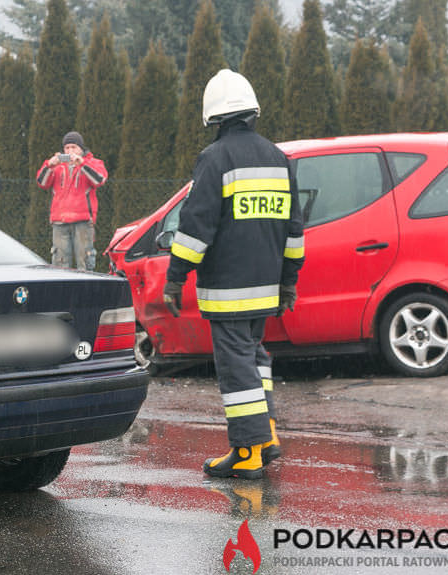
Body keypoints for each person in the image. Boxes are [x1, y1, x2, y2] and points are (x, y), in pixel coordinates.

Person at [163, 69, 305, 480]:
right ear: (252, 112)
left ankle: (247, 451)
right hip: (267, 288)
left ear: (214, 118)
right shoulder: (279, 159)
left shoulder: (215, 159)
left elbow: (196, 225)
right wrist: (289, 280)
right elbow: (294, 228)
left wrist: (176, 275)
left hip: (228, 289)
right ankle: (267, 435)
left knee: (236, 366)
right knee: (255, 358)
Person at [36, 131, 108, 271]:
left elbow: (99, 180)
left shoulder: (93, 163)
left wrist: (82, 163)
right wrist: (49, 165)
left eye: (74, 147)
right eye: (67, 148)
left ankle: (86, 292)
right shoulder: (57, 166)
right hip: (59, 221)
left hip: (83, 221)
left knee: (85, 264)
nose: (70, 151)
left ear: (81, 148)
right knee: (60, 264)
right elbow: (41, 183)